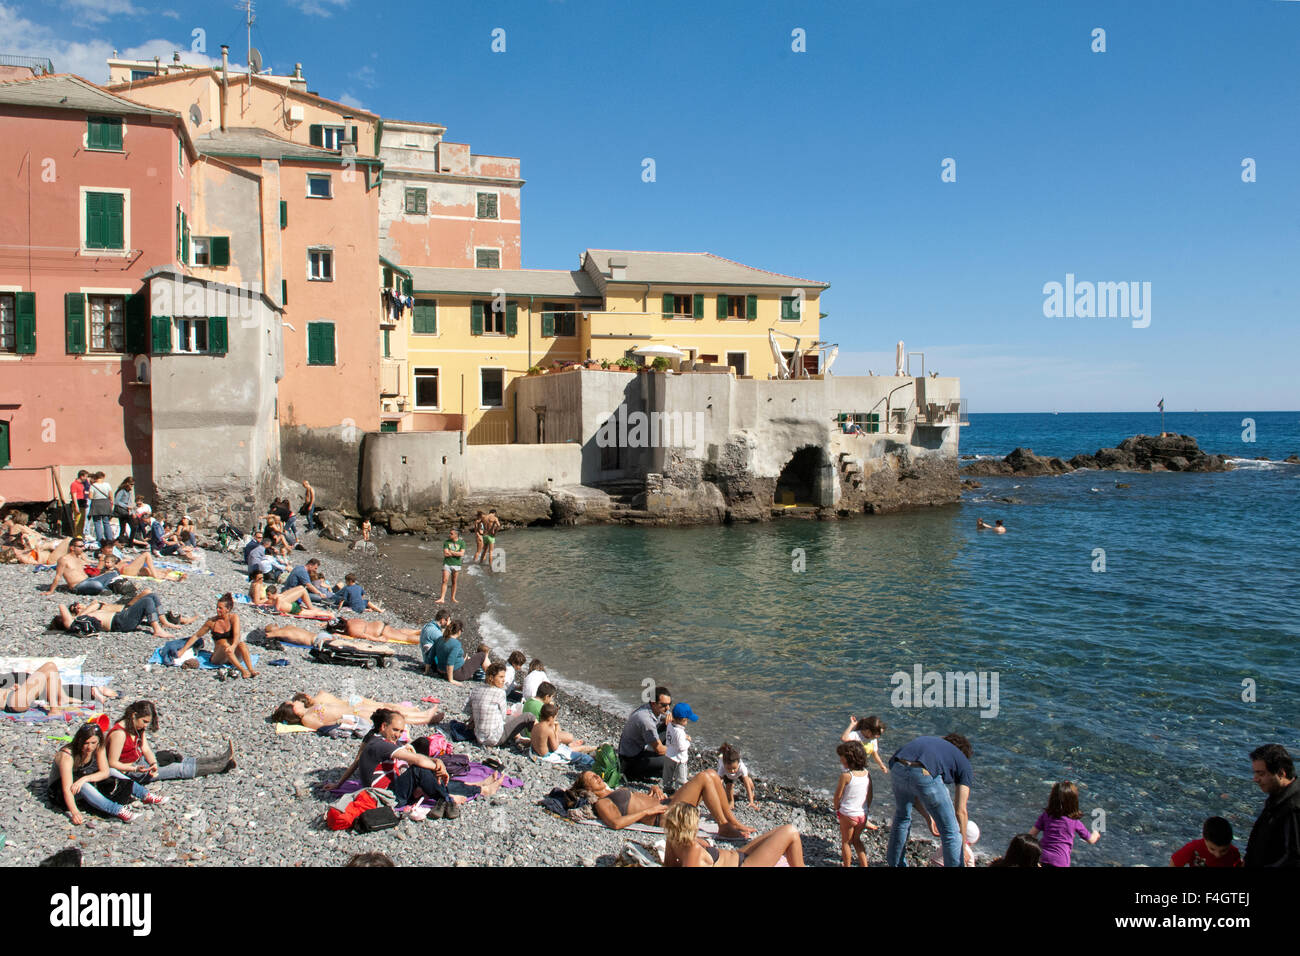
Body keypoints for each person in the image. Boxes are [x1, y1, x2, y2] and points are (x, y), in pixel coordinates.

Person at [324, 709, 457, 818]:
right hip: (387, 797)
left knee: (424, 764)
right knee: (419, 769)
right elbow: (417, 760)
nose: (398, 735)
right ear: (383, 727)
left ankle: (446, 798)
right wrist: (440, 768)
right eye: (395, 730)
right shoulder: (380, 745)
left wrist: (437, 761)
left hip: (391, 789)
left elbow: (357, 762)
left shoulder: (377, 739)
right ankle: (446, 799)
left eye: (400, 731)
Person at [570, 769, 755, 839]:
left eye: (595, 774)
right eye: (592, 778)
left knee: (713, 774)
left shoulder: (612, 791)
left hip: (664, 804)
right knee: (704, 778)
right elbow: (616, 823)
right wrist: (650, 810)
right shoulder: (603, 803)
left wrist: (653, 792)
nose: (596, 776)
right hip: (663, 816)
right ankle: (723, 826)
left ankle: (733, 822)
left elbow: (635, 800)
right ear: (588, 789)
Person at [885, 733, 974, 868]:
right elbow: (961, 811)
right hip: (923, 771)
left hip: (898, 766)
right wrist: (963, 849)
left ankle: (895, 863)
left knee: (902, 816)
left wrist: (928, 817)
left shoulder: (931, 743)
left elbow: (913, 789)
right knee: (951, 831)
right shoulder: (963, 761)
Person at [50, 722, 163, 825]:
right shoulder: (67, 756)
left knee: (111, 771)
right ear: (79, 741)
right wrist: (74, 813)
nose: (90, 747)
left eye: (93, 743)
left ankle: (144, 794)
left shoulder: (98, 746)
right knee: (82, 785)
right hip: (60, 791)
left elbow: (105, 771)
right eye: (86, 743)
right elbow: (67, 788)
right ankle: (117, 810)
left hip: (80, 779)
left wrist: (84, 779)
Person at [106, 700, 236, 784]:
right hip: (129, 770)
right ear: (134, 716)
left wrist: (153, 763)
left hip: (140, 762)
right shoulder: (119, 734)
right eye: (144, 721)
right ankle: (221, 766)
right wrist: (135, 769)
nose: (145, 726)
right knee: (179, 769)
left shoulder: (137, 727)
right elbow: (112, 763)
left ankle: (220, 758)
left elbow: (145, 749)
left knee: (181, 760)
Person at [662, 802, 803, 867]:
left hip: (738, 854)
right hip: (744, 865)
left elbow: (668, 864)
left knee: (781, 831)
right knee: (790, 831)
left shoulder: (674, 840)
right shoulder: (692, 849)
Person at [173, 593, 258, 679]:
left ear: (228, 609)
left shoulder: (233, 618)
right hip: (219, 658)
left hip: (233, 653)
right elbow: (196, 636)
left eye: (220, 608)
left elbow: (237, 635)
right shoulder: (212, 622)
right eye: (217, 607)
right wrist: (183, 650)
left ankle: (251, 670)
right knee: (224, 643)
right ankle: (243, 670)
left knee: (242, 644)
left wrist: (233, 646)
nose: (217, 610)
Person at [1244, 743, 1300, 867]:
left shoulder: (1293, 808)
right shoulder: (1279, 796)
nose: (1255, 779)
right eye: (1255, 773)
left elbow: (1294, 858)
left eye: (1261, 774)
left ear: (1281, 773)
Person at [274, 692, 442, 731]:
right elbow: (325, 726)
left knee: (389, 709)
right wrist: (346, 721)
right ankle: (426, 719)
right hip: (352, 715)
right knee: (390, 717)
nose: (295, 701)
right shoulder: (307, 719)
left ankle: (423, 715)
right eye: (292, 703)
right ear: (293, 710)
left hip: (354, 709)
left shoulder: (310, 708)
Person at [1028, 781, 1100, 867]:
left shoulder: (1046, 816)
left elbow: (1031, 836)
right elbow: (1091, 840)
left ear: (1052, 798)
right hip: (1061, 862)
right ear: (1074, 801)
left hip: (1042, 858)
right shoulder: (1074, 821)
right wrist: (1096, 833)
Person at [3, 661, 117, 716]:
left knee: (49, 673)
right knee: (50, 667)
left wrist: (12, 689)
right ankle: (55, 709)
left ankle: (62, 699)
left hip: (13, 699)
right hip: (14, 701)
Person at [464, 663, 535, 747]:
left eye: (504, 677)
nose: (504, 680)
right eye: (501, 677)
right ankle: (537, 742)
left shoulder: (476, 690)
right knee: (528, 716)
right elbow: (503, 716)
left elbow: (466, 710)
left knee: (510, 717)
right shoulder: (500, 692)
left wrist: (478, 715)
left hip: (479, 736)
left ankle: (518, 738)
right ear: (491, 678)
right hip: (494, 739)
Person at [54, 592, 180, 639]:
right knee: (147, 601)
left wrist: (82, 610)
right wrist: (76, 615)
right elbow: (61, 606)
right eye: (73, 608)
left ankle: (164, 622)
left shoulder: (85, 615)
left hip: (122, 616)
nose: (77, 607)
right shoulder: (75, 622)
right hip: (120, 623)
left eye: (76, 605)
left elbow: (96, 603)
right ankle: (157, 630)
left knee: (152, 595)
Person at [841, 714, 889, 828]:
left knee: (869, 793)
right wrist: (852, 725)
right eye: (876, 734)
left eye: (879, 734)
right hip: (850, 770)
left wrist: (881, 765)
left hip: (862, 769)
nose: (877, 736)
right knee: (853, 794)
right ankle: (848, 816)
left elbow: (874, 753)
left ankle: (864, 816)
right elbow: (844, 738)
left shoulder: (872, 739)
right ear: (867, 730)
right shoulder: (856, 736)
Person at [618, 686, 671, 781]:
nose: (668, 708)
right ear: (654, 703)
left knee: (669, 726)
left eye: (669, 704)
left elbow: (671, 718)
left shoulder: (649, 708)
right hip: (631, 760)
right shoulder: (646, 720)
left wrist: (672, 717)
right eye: (664, 705)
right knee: (670, 761)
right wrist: (678, 748)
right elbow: (659, 749)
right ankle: (634, 774)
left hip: (638, 748)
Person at [834, 741, 871, 867]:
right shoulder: (867, 774)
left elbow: (837, 796)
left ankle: (847, 865)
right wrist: (867, 810)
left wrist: (836, 807)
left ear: (849, 759)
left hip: (848, 814)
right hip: (862, 814)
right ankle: (864, 865)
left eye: (842, 758)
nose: (840, 760)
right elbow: (869, 795)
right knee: (857, 841)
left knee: (846, 842)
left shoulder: (846, 776)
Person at [530, 702, 596, 766]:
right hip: (546, 756)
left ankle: (589, 750)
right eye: (555, 717)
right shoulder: (548, 730)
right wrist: (555, 730)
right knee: (581, 756)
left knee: (567, 749)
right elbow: (555, 748)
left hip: (536, 752)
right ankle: (593, 763)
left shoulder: (536, 725)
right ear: (551, 717)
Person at [430, 620, 488, 684]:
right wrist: (451, 680)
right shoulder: (456, 644)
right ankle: (491, 678)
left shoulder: (440, 639)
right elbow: (450, 662)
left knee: (468, 658)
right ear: (459, 631)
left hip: (441, 671)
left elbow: (431, 654)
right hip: (458, 674)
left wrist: (427, 671)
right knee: (482, 655)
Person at [1172, 816, 1242, 868]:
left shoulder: (1234, 853)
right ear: (1204, 838)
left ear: (1230, 842)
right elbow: (1174, 862)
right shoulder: (1193, 848)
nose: (1217, 855)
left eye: (1223, 850)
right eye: (1212, 849)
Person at [663, 702, 697, 793]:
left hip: (669, 755)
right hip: (679, 759)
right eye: (687, 720)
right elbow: (681, 747)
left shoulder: (670, 725)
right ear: (684, 720)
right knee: (681, 777)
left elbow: (675, 737)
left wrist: (684, 737)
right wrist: (688, 741)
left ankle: (666, 788)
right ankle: (680, 792)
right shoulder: (680, 732)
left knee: (667, 774)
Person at [716, 743, 757, 810]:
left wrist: (751, 802)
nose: (732, 771)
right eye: (729, 768)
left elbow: (746, 784)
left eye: (734, 768)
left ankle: (752, 792)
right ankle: (731, 801)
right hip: (727, 776)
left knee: (749, 783)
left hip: (739, 774)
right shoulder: (722, 767)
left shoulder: (742, 768)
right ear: (724, 764)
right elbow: (718, 783)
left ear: (738, 763)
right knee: (729, 787)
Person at [326, 616, 421, 644]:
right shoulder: (351, 620)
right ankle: (420, 631)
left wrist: (378, 640)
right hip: (379, 624)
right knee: (399, 631)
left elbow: (366, 636)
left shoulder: (352, 631)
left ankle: (427, 639)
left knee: (406, 638)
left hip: (379, 632)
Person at [435, 527, 465, 603]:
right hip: (447, 563)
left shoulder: (462, 543)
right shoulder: (447, 542)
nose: (449, 535)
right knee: (445, 580)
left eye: (451, 534)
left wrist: (451, 552)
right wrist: (455, 553)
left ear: (456, 535)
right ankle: (442, 598)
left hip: (457, 564)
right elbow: (446, 553)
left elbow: (461, 554)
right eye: (450, 533)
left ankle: (453, 597)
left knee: (454, 581)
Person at [419, 609, 451, 675]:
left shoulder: (427, 626)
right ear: (442, 620)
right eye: (447, 621)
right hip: (433, 663)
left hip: (426, 658)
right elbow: (447, 642)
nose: (448, 623)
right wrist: (448, 628)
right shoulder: (435, 631)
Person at [87, 472, 114, 544]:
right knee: (106, 522)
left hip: (96, 504)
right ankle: (109, 539)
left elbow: (90, 497)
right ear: (103, 477)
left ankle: (99, 539)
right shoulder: (107, 485)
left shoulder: (93, 486)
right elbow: (111, 496)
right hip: (105, 503)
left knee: (97, 522)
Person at [113, 477, 136, 543]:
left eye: (133, 485)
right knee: (126, 527)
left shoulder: (129, 492)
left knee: (129, 527)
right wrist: (126, 506)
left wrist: (133, 512)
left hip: (127, 512)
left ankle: (127, 541)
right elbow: (116, 501)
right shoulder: (122, 491)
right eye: (131, 484)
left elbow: (130, 503)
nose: (132, 486)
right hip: (123, 512)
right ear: (127, 483)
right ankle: (126, 542)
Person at [70, 471, 90, 540]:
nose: (86, 478)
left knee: (82, 520)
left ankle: (80, 534)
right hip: (78, 502)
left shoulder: (84, 484)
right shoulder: (74, 484)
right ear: (81, 476)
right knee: (78, 520)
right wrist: (76, 506)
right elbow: (74, 495)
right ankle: (77, 535)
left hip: (83, 502)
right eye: (85, 476)